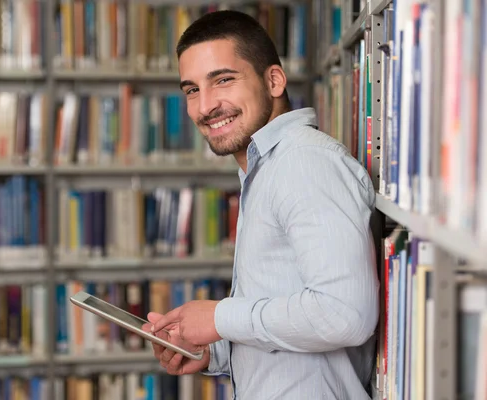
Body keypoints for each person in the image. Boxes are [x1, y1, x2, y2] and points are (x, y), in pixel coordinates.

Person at [141, 9, 380, 400]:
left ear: (273, 80)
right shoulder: (264, 170)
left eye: (223, 80)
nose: (205, 107)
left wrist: (219, 318)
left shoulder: (305, 163)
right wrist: (213, 349)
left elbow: (345, 315)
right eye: (192, 90)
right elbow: (289, 306)